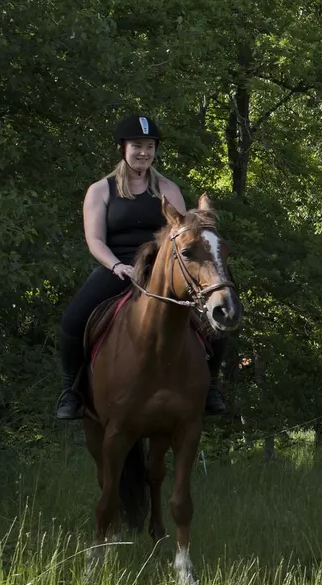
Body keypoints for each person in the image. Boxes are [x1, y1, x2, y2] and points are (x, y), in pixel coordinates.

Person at [56, 114, 228, 420]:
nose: (144, 152)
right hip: (118, 267)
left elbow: (180, 233)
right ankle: (71, 391)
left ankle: (210, 388)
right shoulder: (100, 191)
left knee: (218, 316)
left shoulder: (168, 189)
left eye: (149, 146)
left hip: (159, 270)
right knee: (72, 320)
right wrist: (116, 266)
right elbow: (95, 240)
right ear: (123, 148)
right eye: (137, 145)